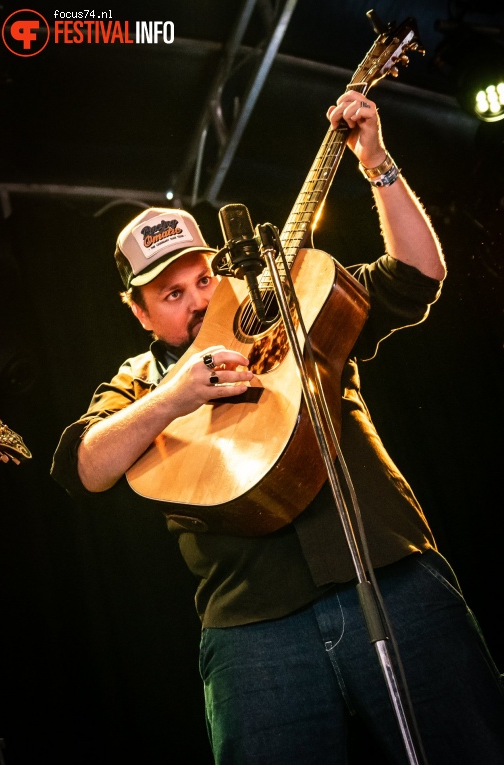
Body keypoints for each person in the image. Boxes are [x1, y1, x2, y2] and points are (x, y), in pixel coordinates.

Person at [51, 90, 504, 765]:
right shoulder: (139, 377)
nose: (196, 299)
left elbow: (416, 277)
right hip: (248, 628)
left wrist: (376, 163)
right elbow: (83, 466)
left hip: (390, 575)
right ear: (139, 311)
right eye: (170, 295)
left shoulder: (293, 304)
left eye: (200, 278)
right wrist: (174, 395)